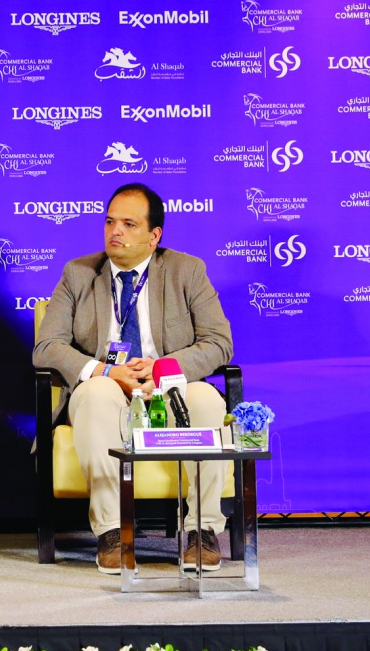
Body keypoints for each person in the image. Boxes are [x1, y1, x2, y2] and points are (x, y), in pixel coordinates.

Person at [33, 183, 233, 574]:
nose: (115, 232)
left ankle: (201, 530)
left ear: (154, 235)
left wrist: (160, 369)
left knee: (208, 401)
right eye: (110, 222)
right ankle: (112, 532)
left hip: (167, 386)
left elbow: (219, 344)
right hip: (107, 392)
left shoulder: (187, 271)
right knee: (97, 392)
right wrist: (107, 371)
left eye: (128, 224)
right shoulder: (78, 274)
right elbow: (46, 347)